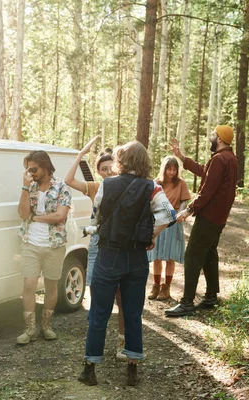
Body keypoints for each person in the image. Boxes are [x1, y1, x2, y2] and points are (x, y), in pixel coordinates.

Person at [77, 141, 176, 387]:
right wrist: (151, 236)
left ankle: (90, 369)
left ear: (121, 161)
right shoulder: (152, 187)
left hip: (109, 255)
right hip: (137, 257)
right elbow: (169, 214)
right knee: (132, 313)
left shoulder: (106, 185)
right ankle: (132, 370)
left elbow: (97, 217)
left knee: (99, 312)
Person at [64, 136, 128, 361]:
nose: (108, 171)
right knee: (97, 297)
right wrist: (80, 155)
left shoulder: (126, 186)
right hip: (99, 245)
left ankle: (122, 343)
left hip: (120, 246)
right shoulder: (94, 187)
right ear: (99, 171)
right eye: (103, 168)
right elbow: (69, 180)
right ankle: (95, 346)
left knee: (122, 298)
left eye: (111, 167)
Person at [165, 125, 238, 317]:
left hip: (209, 217)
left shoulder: (220, 159)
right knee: (209, 254)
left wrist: (189, 209)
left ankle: (187, 302)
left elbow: (207, 191)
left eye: (213, 135)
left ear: (220, 139)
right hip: (219, 218)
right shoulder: (230, 158)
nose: (211, 138)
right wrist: (181, 157)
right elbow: (204, 172)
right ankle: (211, 296)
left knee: (193, 256)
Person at [17, 150, 72, 345]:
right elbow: (23, 213)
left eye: (34, 169)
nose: (30, 172)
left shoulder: (62, 187)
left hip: (54, 244)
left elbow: (60, 216)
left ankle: (46, 326)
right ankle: (30, 329)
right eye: (28, 169)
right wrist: (24, 188)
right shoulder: (29, 187)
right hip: (30, 242)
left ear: (45, 167)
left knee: (51, 285)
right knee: (29, 284)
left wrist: (35, 217)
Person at [147, 156, 191, 301]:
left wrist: (180, 214)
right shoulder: (156, 183)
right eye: (169, 169)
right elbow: (150, 202)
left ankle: (166, 288)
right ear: (164, 169)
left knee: (170, 256)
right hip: (158, 221)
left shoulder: (181, 184)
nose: (172, 172)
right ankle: (156, 285)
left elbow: (184, 201)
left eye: (174, 169)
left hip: (173, 222)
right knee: (157, 256)